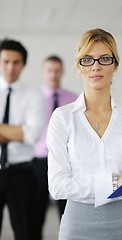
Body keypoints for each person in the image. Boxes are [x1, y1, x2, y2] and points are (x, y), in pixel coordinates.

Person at [46, 28, 122, 240]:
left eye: (105, 58)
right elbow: (58, 186)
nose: (96, 66)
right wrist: (114, 183)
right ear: (78, 66)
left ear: (115, 65)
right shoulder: (62, 118)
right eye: (87, 59)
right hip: (77, 223)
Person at [0, 39, 44, 240]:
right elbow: (22, 132)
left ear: (23, 64)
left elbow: (31, 134)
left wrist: (20, 132)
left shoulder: (34, 95)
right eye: (5, 61)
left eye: (16, 62)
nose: (10, 67)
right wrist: (17, 131)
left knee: (26, 232)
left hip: (22, 172)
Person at [33, 55, 78, 239]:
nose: (53, 74)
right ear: (43, 72)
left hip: (67, 163)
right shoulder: (34, 99)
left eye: (57, 70)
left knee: (66, 213)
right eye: (49, 70)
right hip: (39, 162)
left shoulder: (74, 99)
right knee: (35, 214)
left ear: (62, 72)